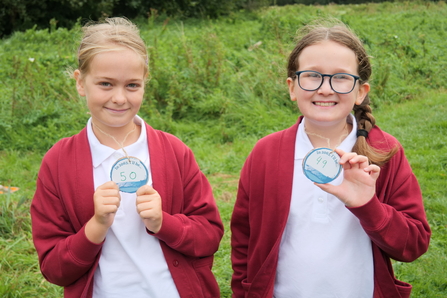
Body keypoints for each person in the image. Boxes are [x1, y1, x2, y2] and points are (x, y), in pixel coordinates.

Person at [230, 20, 431, 298]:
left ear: (360, 92)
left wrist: (368, 206)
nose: (325, 88)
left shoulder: (384, 153)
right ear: (292, 87)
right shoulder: (266, 153)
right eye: (312, 75)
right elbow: (244, 238)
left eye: (341, 77)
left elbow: (413, 245)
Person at [31, 17, 223, 298]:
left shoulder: (174, 152)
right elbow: (53, 268)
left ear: (145, 83)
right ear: (80, 83)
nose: (119, 98)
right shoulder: (58, 163)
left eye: (132, 85)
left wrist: (163, 223)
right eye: (106, 84)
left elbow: (209, 235)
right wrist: (95, 227)